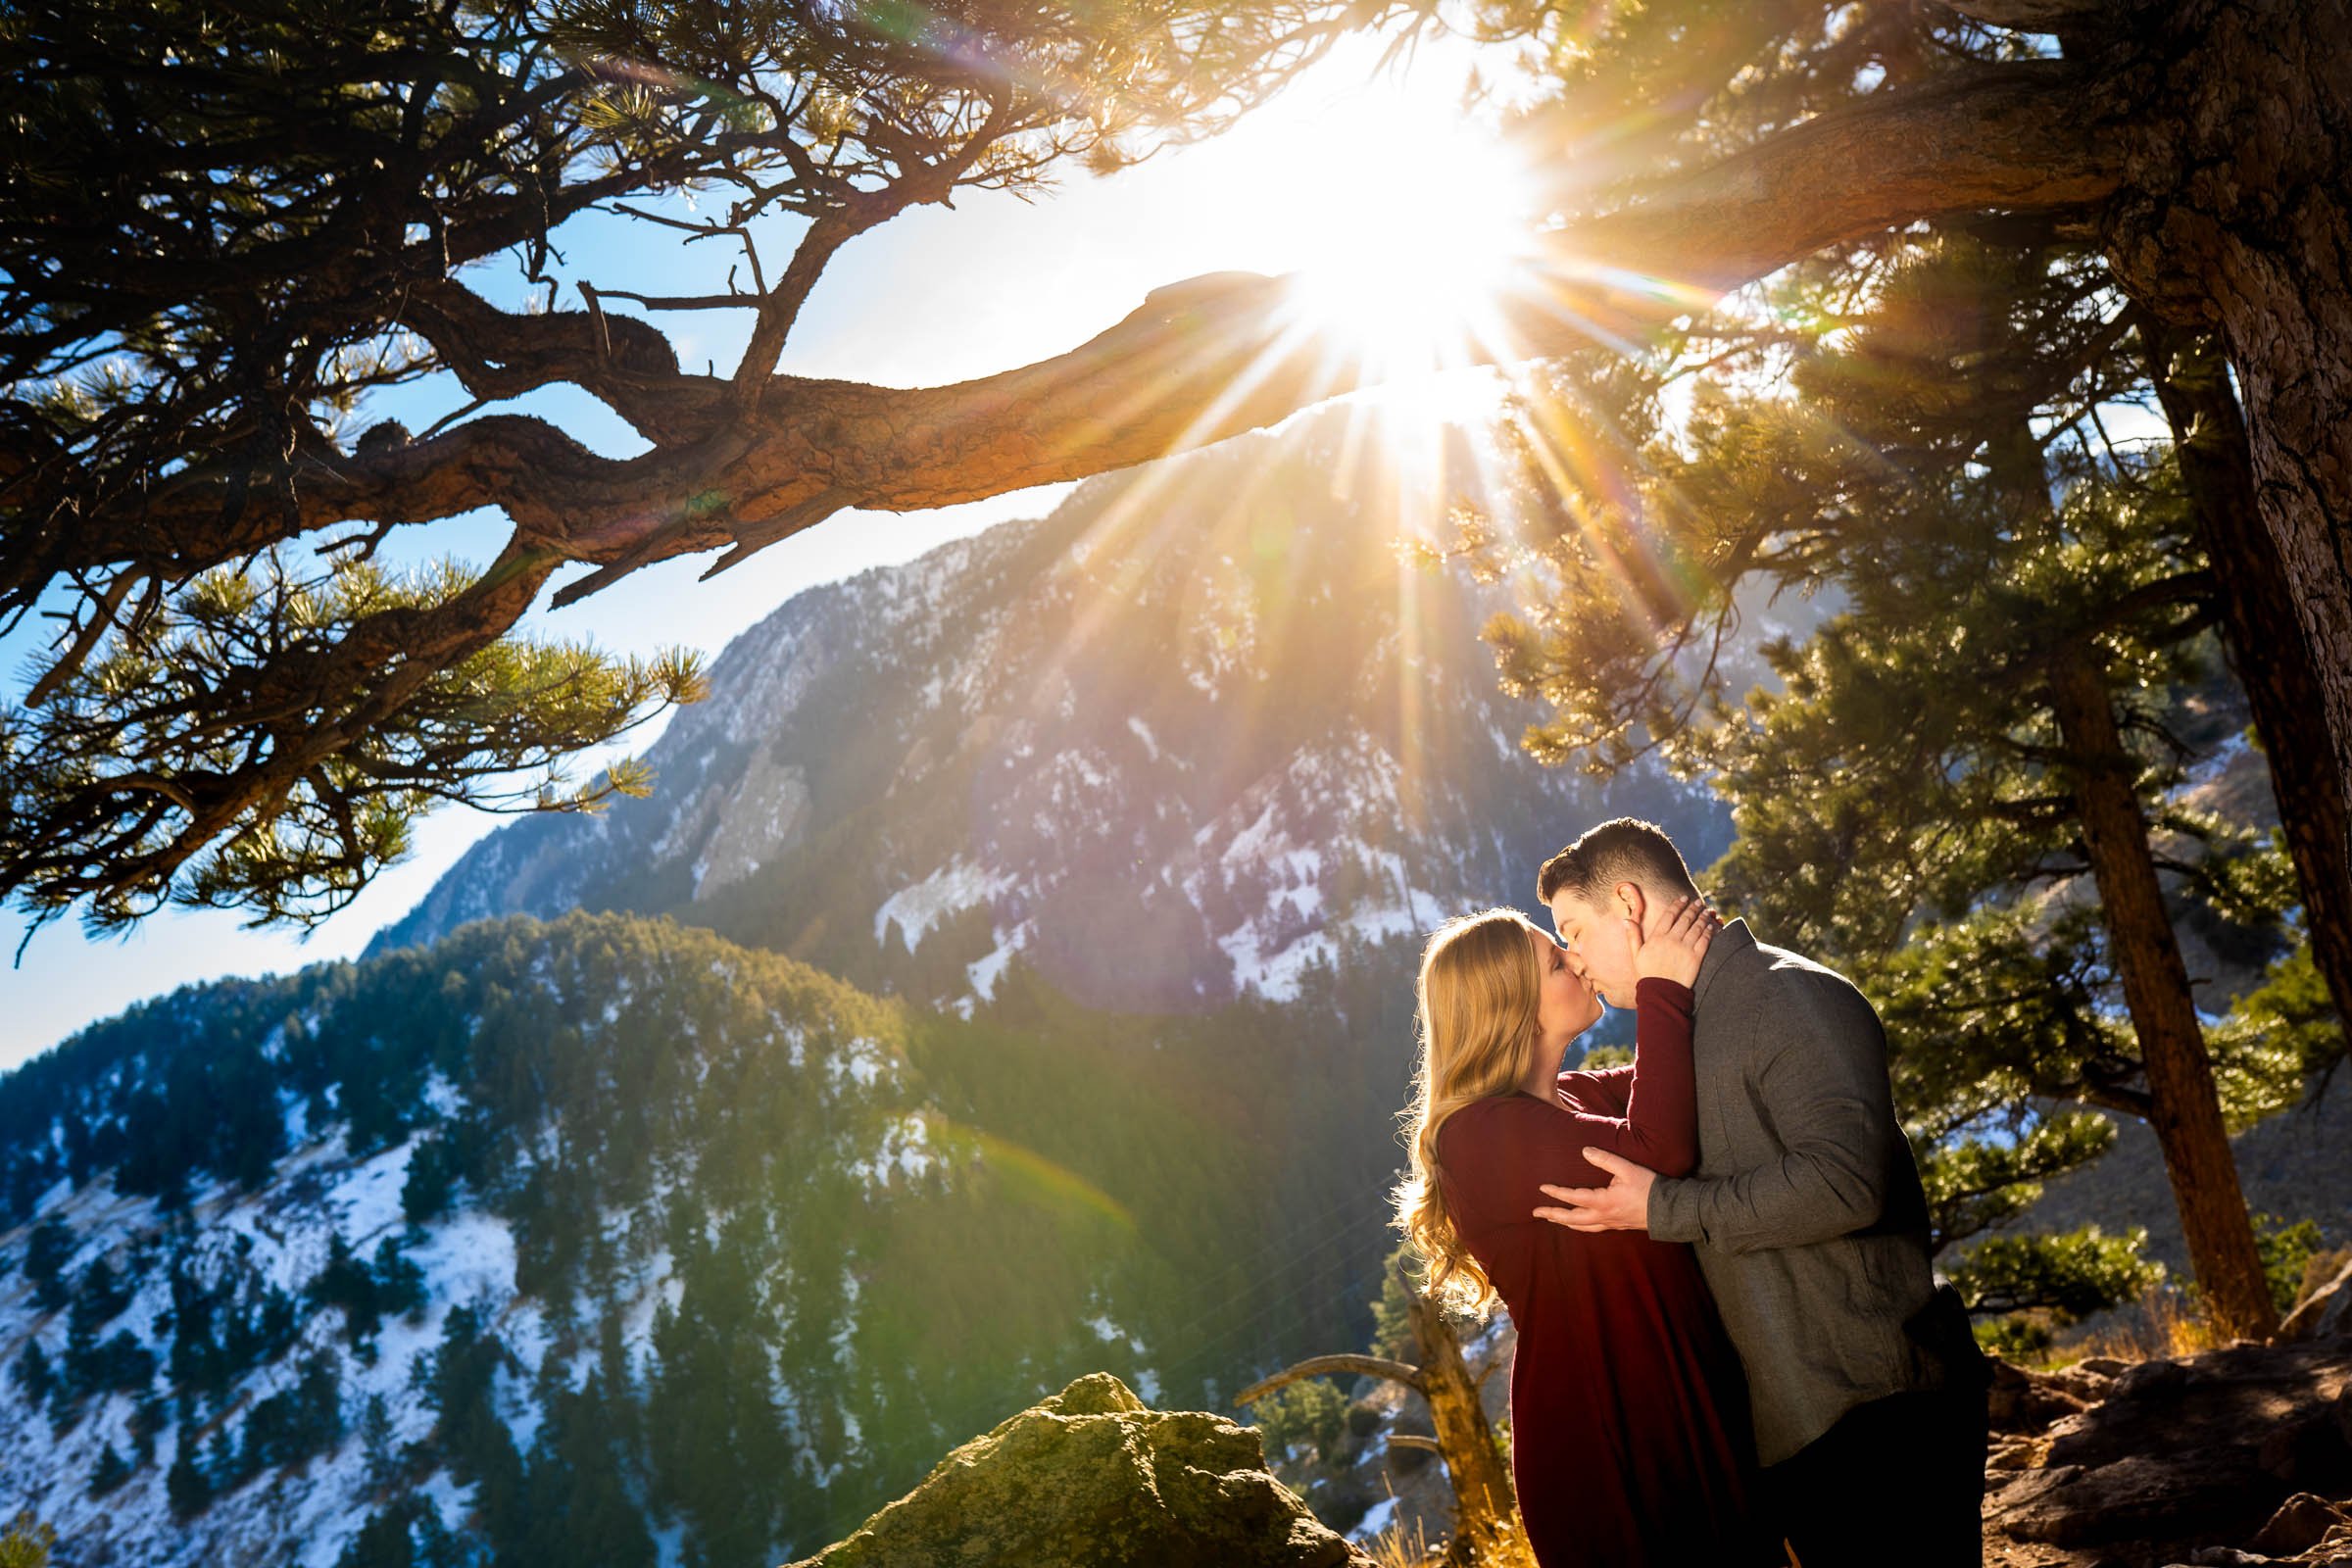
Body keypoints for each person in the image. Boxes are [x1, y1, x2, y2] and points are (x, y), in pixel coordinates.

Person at [1530, 817, 1990, 1568]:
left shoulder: (1789, 997)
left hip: (1879, 1417)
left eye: (1576, 931)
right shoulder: (1685, 1027)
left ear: (1630, 905)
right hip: (1802, 1430)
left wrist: (1664, 1210)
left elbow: (1846, 1184)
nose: (1574, 960)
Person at [1392, 897, 1784, 1568]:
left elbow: (1690, 1075)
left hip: (1684, 1396)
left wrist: (1659, 956)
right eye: (1556, 959)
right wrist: (1658, 985)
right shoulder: (1480, 1136)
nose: (1577, 962)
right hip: (1608, 1433)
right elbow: (1661, 1144)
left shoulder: (1580, 1097)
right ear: (1512, 1005)